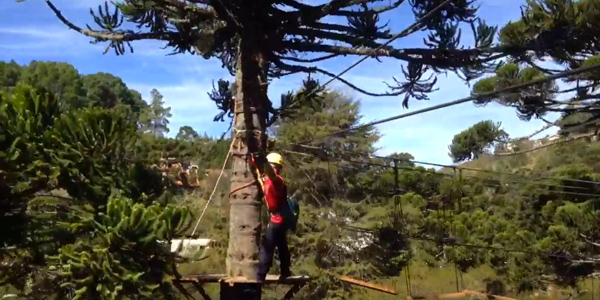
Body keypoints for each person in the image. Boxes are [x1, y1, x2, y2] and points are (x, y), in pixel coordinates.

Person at [257, 152, 292, 281]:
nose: (272, 168)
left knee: (267, 245)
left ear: (279, 168)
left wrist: (263, 161)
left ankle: (260, 275)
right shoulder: (266, 180)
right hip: (279, 218)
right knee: (282, 244)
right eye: (271, 165)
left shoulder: (277, 180)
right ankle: (285, 270)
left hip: (278, 218)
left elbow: (270, 174)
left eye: (275, 166)